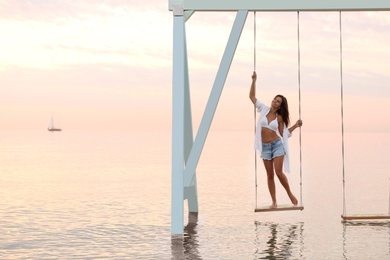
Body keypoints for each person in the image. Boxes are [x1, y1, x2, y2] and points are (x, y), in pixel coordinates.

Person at [249, 71, 303, 208]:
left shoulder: (279, 118)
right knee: (270, 175)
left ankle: (290, 194)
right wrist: (254, 80)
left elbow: (283, 134)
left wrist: (295, 126)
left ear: (280, 106)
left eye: (278, 101)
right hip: (265, 147)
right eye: (274, 99)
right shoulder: (263, 109)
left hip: (277, 145)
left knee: (278, 172)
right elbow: (252, 96)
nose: (274, 101)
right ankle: (274, 201)